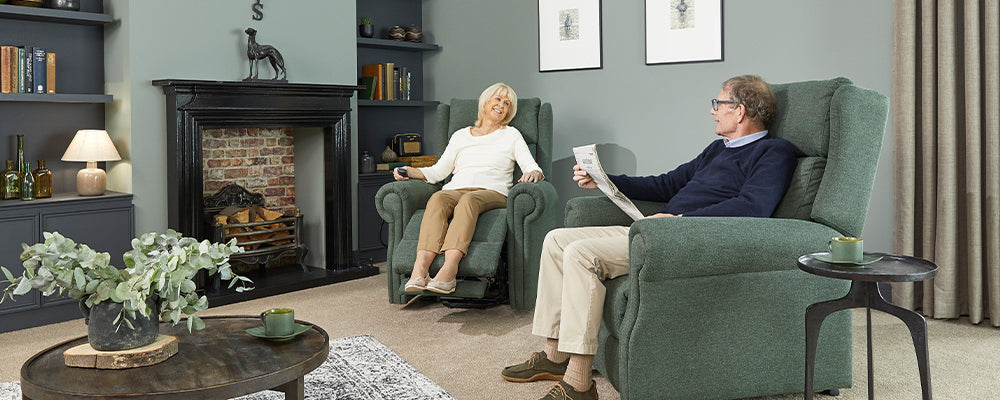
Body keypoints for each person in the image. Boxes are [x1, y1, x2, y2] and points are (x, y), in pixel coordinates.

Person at [501, 75, 797, 400]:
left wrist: (680, 221)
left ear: (740, 111)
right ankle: (555, 356)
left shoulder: (774, 152)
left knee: (581, 255)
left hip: (684, 237)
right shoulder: (717, 150)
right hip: (658, 230)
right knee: (557, 240)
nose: (713, 111)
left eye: (719, 104)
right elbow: (667, 184)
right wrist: (604, 180)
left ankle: (578, 383)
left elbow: (753, 207)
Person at [393, 82, 544, 295]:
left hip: (493, 192)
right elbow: (438, 172)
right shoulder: (460, 135)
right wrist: (409, 170)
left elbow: (533, 167)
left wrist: (533, 173)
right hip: (457, 188)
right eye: (498, 99)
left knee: (469, 201)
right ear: (485, 102)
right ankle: (420, 270)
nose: (503, 105)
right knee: (437, 198)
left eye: (508, 103)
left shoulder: (511, 135)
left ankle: (449, 270)